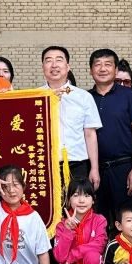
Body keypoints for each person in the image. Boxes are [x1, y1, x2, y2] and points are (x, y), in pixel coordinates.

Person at [89, 49, 132, 224]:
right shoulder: (86, 98)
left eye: (108, 64)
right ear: (91, 71)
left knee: (128, 219)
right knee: (98, 221)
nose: (102, 69)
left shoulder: (129, 95)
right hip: (95, 170)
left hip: (124, 169)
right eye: (97, 65)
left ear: (115, 70)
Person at [43, 45, 101, 186]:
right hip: (44, 165)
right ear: (43, 67)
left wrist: (94, 168)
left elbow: (90, 134)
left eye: (59, 60)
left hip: (77, 164)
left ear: (68, 66)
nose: (54, 65)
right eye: (48, 60)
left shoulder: (83, 97)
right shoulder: (35, 96)